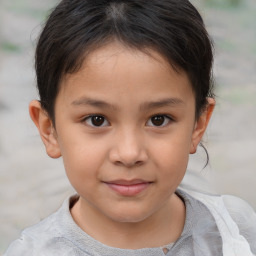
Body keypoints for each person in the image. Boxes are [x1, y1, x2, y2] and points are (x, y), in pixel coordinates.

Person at [4, 0, 256, 255]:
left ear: (198, 125)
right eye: (97, 120)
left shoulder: (234, 232)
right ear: (49, 130)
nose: (129, 153)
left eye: (159, 119)